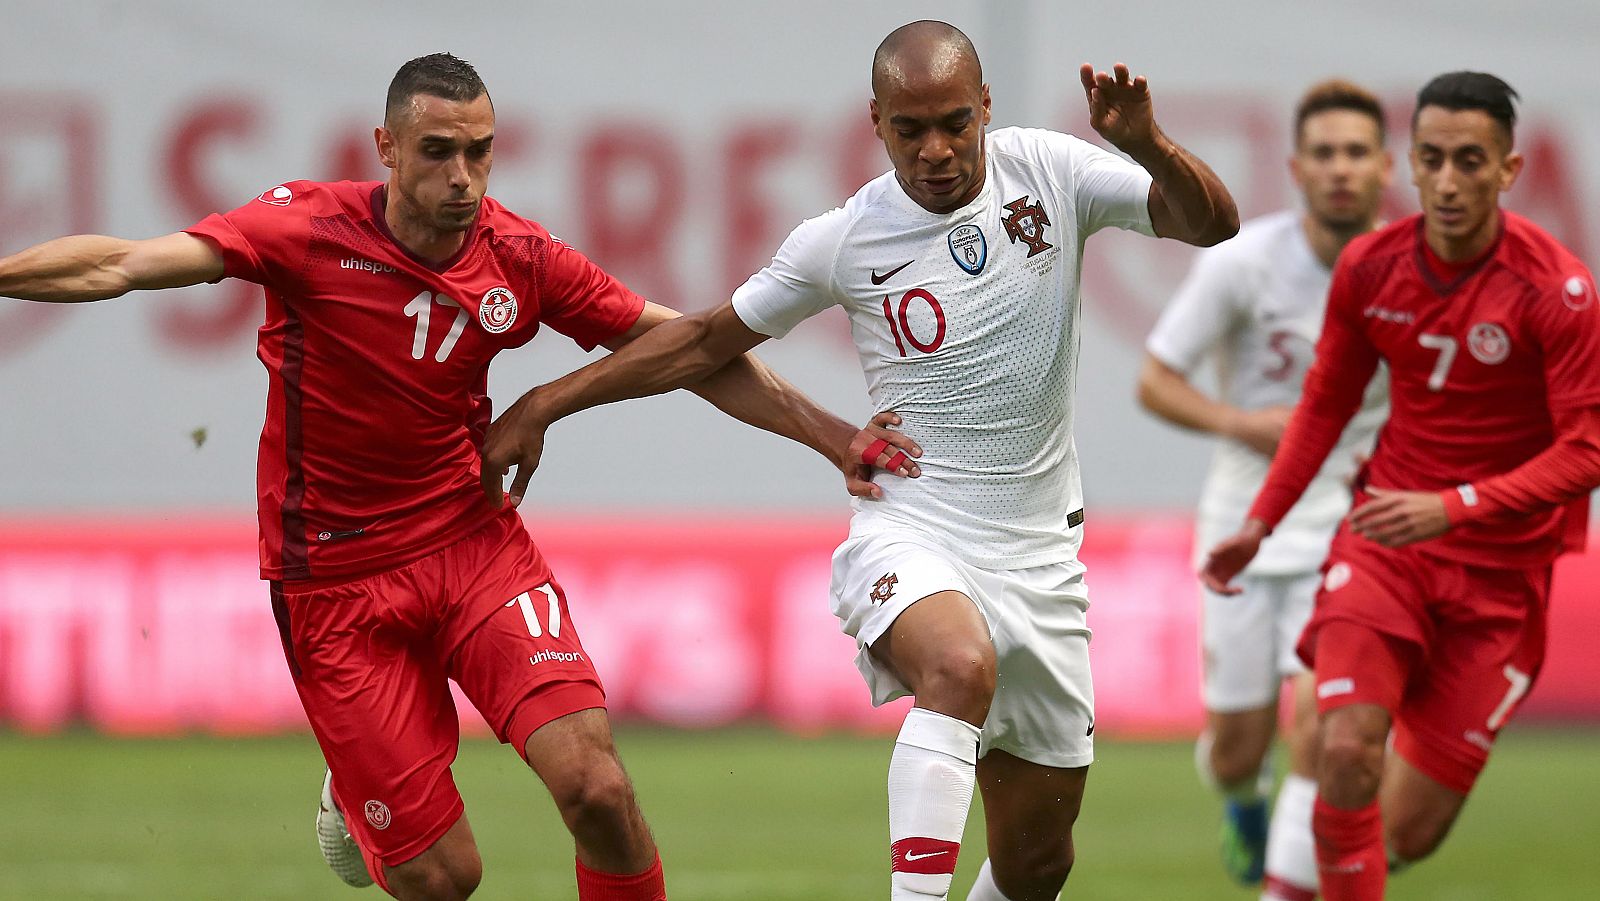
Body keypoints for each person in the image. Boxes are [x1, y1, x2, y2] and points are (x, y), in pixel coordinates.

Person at [0, 53, 915, 901]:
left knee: (597, 786)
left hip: (473, 546)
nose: (463, 178)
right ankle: (362, 791)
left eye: (480, 152)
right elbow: (122, 263)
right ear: (386, 148)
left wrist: (831, 435)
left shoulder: (517, 255)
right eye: (437, 152)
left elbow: (693, 345)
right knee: (445, 879)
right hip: (336, 584)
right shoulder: (305, 228)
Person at [481, 21, 1238, 901]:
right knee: (958, 667)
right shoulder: (843, 239)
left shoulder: (1052, 171)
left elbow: (1210, 225)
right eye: (909, 130)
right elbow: (701, 343)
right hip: (916, 525)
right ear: (874, 123)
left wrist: (1146, 145)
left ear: (987, 105)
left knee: (1040, 863)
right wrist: (546, 402)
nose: (937, 150)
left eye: (955, 121)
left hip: (1041, 554)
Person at [1202, 71, 1600, 901]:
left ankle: (1304, 881)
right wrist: (1261, 521)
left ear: (1509, 169)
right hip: (1385, 545)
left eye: (1470, 161)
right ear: (1406, 166)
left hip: (1498, 578)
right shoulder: (1372, 266)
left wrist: (1455, 506)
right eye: (1433, 159)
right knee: (1344, 745)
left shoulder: (1556, 292)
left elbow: (1588, 450)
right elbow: (1325, 403)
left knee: (1409, 826)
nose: (1450, 181)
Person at [1138, 80, 1392, 900]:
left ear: (1386, 166)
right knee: (1239, 747)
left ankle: (1284, 885)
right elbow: (1155, 379)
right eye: (1325, 153)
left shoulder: (1412, 272)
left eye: (1357, 152)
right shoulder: (1245, 262)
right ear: (1296, 167)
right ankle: (1243, 800)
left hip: (1356, 536)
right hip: (1247, 530)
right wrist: (1241, 423)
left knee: (1326, 726)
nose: (1341, 169)